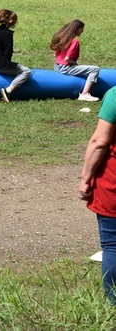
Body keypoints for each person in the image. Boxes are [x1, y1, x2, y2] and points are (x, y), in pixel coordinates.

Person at [78, 84, 116, 303]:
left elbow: (99, 142)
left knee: (112, 245)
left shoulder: (114, 95)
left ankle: (113, 301)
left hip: (113, 183)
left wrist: (85, 179)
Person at [0, 9, 31, 102]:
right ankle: (7, 91)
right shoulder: (7, 34)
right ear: (10, 21)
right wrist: (9, 65)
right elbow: (8, 52)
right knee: (26, 71)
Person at [50, 19, 100, 101]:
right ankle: (85, 94)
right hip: (65, 68)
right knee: (95, 69)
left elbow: (55, 54)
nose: (82, 31)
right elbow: (68, 59)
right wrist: (76, 65)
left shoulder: (63, 39)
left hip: (57, 67)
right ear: (76, 29)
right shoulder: (74, 41)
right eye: (81, 29)